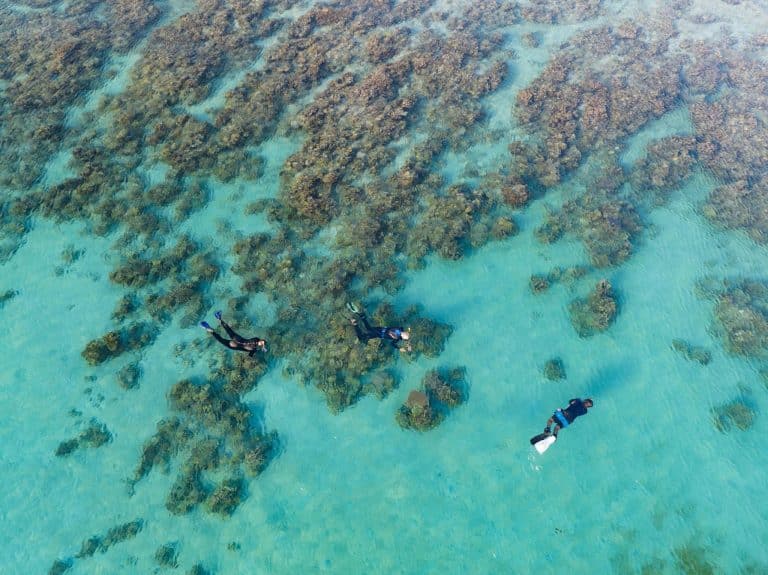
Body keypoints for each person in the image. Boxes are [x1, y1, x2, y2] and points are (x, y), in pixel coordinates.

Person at [347, 302, 411, 353]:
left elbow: (393, 343)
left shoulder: (400, 331)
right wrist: (399, 347)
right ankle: (356, 323)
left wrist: (406, 346)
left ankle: (362, 317)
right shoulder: (398, 333)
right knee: (362, 338)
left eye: (405, 335)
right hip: (378, 332)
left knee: (368, 329)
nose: (405, 334)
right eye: (406, 334)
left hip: (379, 331)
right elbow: (392, 333)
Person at [200, 311, 267, 356]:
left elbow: (260, 342)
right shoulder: (254, 349)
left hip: (238, 339)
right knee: (220, 339)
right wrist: (260, 349)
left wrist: (263, 346)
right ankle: (209, 329)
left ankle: (219, 318)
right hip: (234, 345)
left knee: (228, 329)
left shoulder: (256, 339)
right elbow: (250, 355)